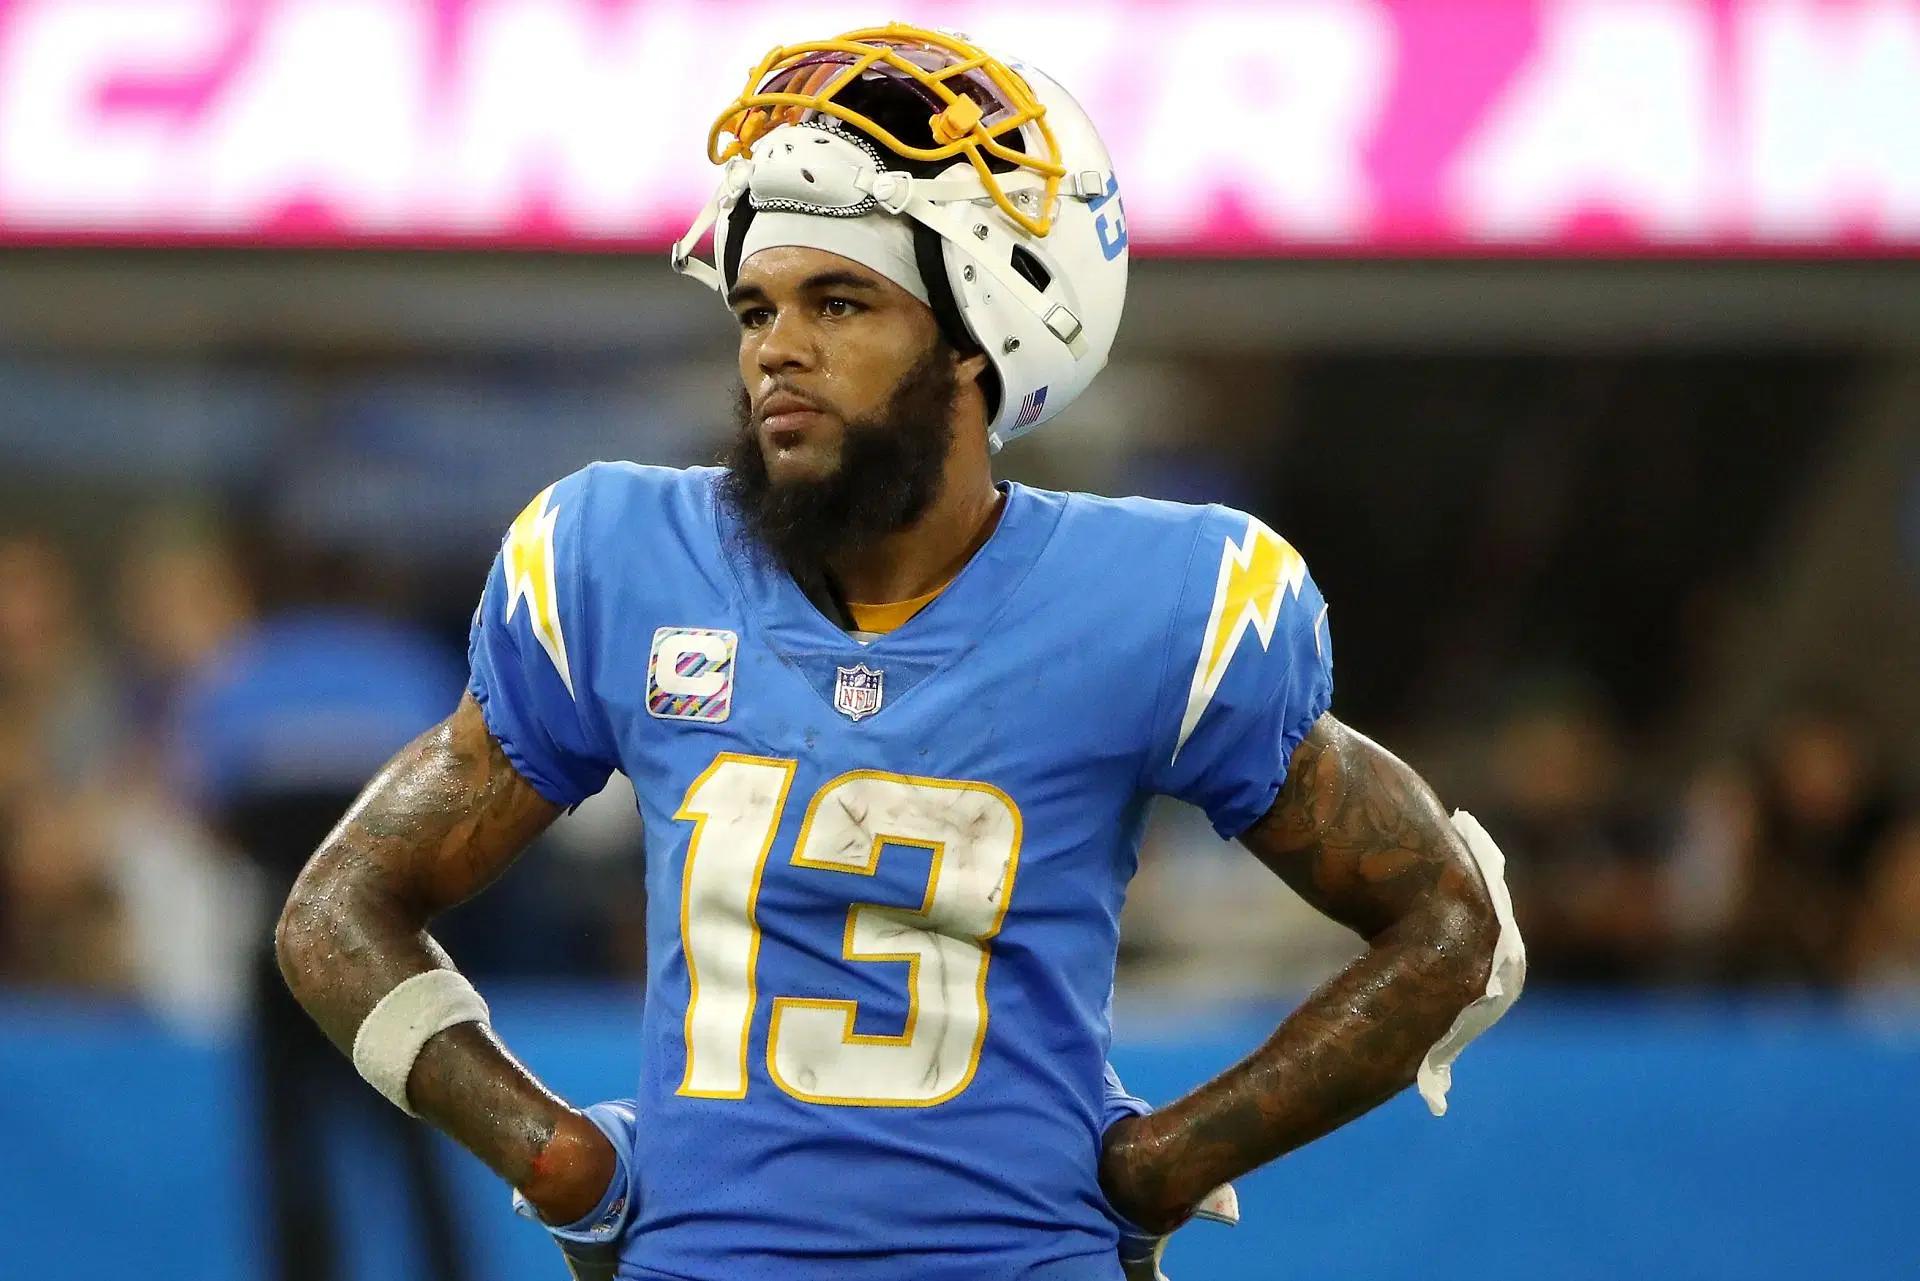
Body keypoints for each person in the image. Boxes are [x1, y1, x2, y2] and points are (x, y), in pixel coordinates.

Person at [276, 25, 1523, 1281]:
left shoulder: (1157, 603)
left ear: (977, 336)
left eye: (839, 301)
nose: (776, 348)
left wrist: (1168, 1162)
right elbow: (336, 916)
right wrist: (554, 1159)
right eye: (756, 308)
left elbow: (1448, 926)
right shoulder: (617, 559)